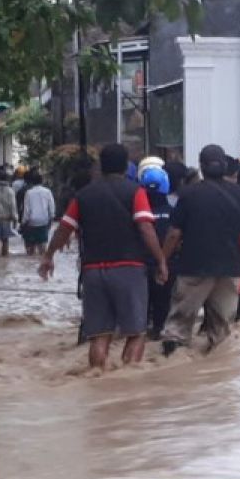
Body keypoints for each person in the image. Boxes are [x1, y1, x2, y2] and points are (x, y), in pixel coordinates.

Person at [38, 143, 168, 371]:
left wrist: (48, 256)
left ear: (101, 166)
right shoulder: (135, 192)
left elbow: (64, 229)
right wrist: (161, 260)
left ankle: (97, 378)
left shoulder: (84, 195)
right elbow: (146, 229)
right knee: (136, 333)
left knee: (100, 335)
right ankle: (127, 384)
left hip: (93, 272)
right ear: (126, 165)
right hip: (129, 269)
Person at [160, 144, 240, 355]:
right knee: (221, 333)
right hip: (229, 269)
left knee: (177, 329)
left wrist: (162, 261)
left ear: (201, 166)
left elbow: (174, 235)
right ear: (224, 166)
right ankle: (219, 375)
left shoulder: (188, 194)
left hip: (194, 269)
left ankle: (171, 371)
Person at [138, 158, 176, 339]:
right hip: (167, 266)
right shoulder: (174, 212)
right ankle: (158, 331)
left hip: (142, 265)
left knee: (143, 305)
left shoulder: (138, 214)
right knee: (164, 304)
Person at [20, 169, 55, 256]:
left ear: (32, 181)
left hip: (32, 222)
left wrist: (23, 222)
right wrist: (51, 219)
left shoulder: (29, 193)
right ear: (42, 181)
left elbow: (26, 210)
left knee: (31, 248)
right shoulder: (47, 192)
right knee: (43, 244)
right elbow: (51, 207)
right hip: (44, 221)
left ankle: (31, 263)